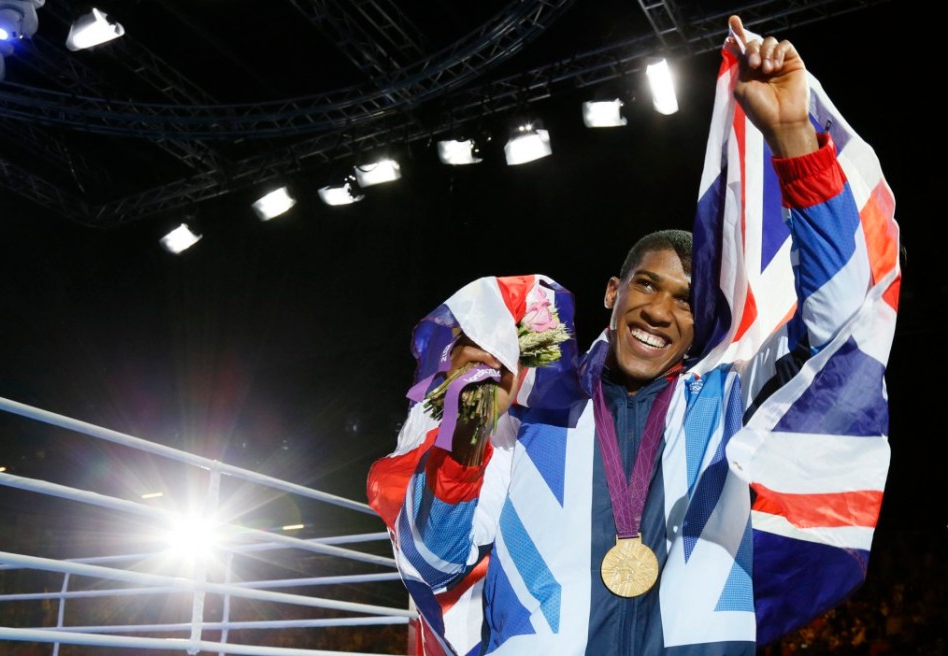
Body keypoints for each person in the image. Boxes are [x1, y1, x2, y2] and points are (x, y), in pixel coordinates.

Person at [367, 14, 899, 656]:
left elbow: (843, 326)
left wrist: (794, 142)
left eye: (685, 301)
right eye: (646, 286)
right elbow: (435, 563)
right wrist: (469, 426)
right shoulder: (534, 410)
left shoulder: (727, 402)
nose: (660, 311)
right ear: (613, 295)